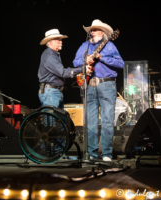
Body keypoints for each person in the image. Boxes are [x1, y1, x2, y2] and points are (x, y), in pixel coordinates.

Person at [73, 19, 124, 161]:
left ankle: (107, 154)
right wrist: (86, 60)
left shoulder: (110, 45)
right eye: (91, 29)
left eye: (95, 30)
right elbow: (75, 62)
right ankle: (92, 154)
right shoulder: (84, 46)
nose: (92, 32)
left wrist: (102, 57)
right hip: (90, 85)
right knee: (91, 121)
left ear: (103, 33)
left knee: (108, 120)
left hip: (107, 85)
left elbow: (120, 63)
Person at [38, 29, 84, 109]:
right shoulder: (49, 56)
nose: (61, 42)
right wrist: (83, 69)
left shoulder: (54, 54)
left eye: (61, 40)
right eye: (58, 40)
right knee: (51, 120)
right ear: (51, 42)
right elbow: (63, 72)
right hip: (51, 92)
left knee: (57, 119)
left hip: (54, 91)